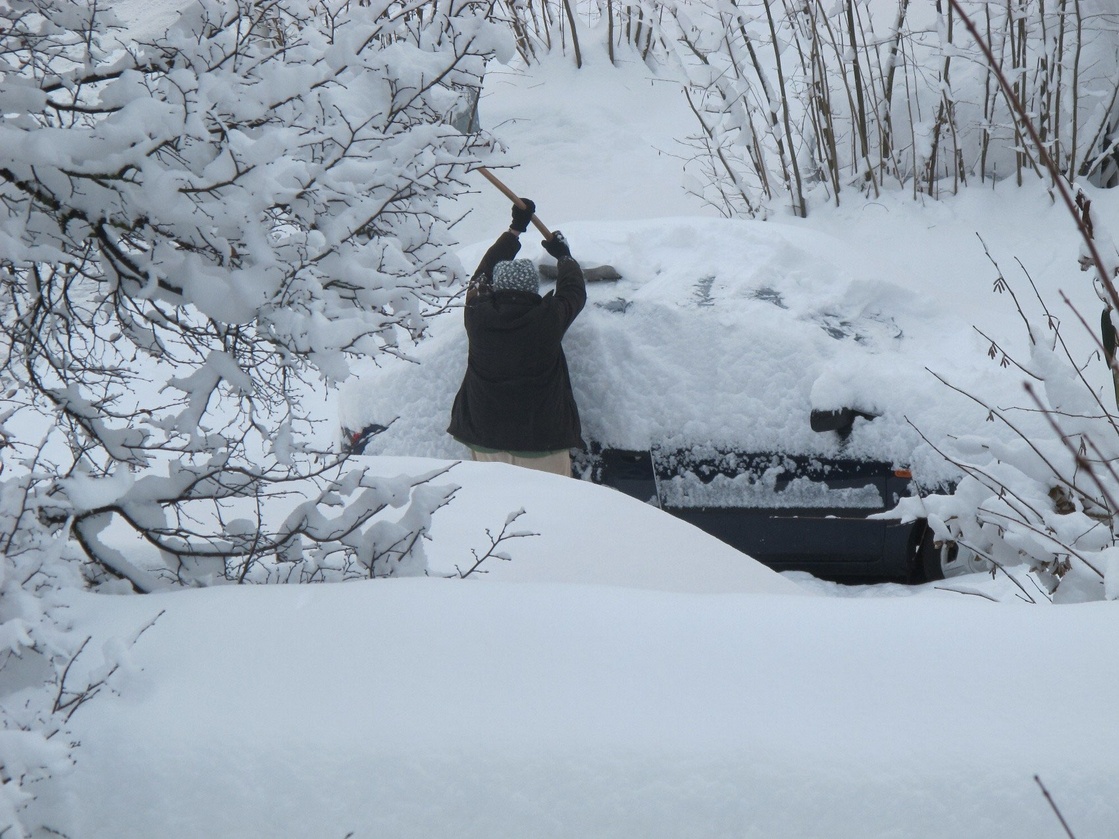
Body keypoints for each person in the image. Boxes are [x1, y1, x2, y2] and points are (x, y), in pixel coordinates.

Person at [447, 198, 587, 476]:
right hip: (539, 442)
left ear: (497, 288)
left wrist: (515, 230)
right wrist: (565, 257)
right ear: (533, 289)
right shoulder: (547, 319)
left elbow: (480, 275)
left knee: (497, 508)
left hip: (483, 436)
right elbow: (573, 292)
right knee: (549, 512)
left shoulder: (477, 315)